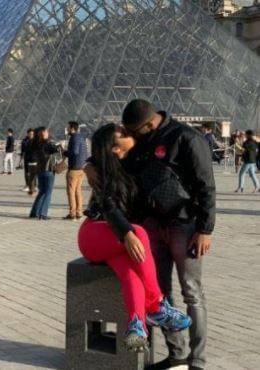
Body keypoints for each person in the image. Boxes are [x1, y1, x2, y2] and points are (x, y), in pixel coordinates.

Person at [86, 100, 215, 370]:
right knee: (160, 291)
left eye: (134, 131)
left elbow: (206, 185)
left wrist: (205, 229)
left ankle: (197, 361)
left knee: (192, 292)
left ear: (149, 124)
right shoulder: (143, 139)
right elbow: (109, 153)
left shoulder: (186, 137)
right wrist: (89, 165)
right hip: (153, 225)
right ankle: (176, 354)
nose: (131, 135)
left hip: (185, 225)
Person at [80, 124, 191, 352]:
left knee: (131, 273)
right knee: (139, 233)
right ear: (114, 148)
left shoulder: (129, 163)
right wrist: (127, 234)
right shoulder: (103, 171)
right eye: (125, 133)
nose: (130, 133)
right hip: (95, 233)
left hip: (116, 242)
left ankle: (137, 326)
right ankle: (157, 305)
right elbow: (109, 207)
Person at [29, 127, 61, 220]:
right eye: (46, 131)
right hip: (48, 170)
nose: (48, 132)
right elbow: (58, 150)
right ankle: (43, 213)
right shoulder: (47, 143)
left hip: (40, 171)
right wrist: (59, 146)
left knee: (42, 191)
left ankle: (34, 212)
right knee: (48, 192)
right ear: (42, 133)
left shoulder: (35, 144)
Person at [63, 121, 88, 221]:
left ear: (72, 128)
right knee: (78, 191)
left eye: (68, 127)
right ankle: (79, 212)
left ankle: (72, 213)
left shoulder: (74, 138)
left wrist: (65, 152)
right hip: (81, 168)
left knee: (71, 192)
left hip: (74, 169)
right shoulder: (81, 137)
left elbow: (74, 151)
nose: (67, 129)